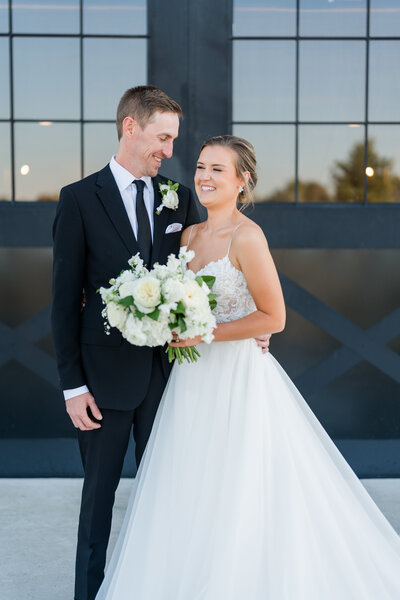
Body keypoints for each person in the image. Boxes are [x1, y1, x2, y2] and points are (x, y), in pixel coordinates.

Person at [95, 135, 400, 599]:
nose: (204, 177)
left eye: (219, 169)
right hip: (191, 380)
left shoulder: (247, 236)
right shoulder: (187, 235)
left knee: (240, 483)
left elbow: (273, 316)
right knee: (191, 484)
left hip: (238, 377)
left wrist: (205, 332)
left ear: (243, 181)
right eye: (201, 167)